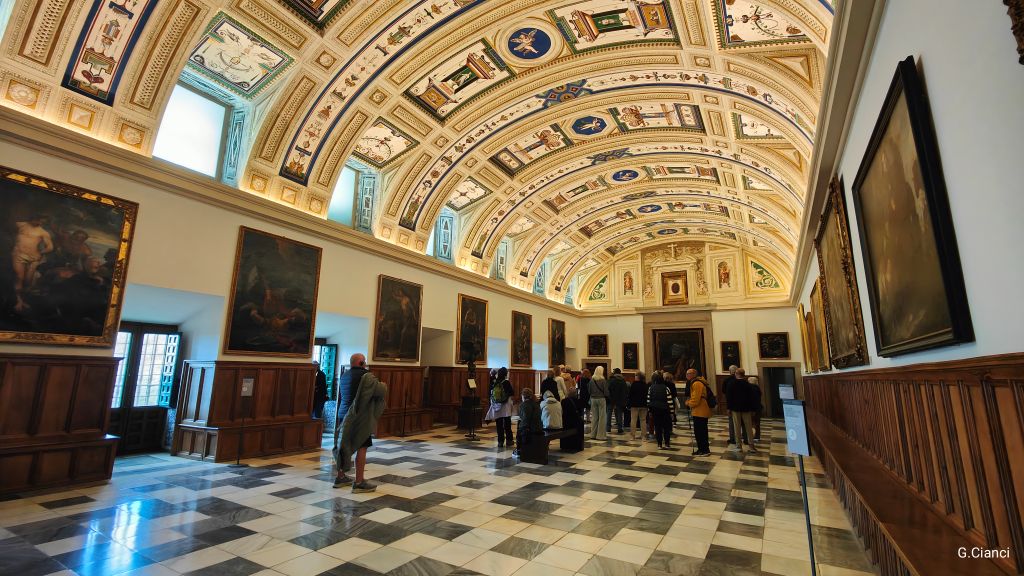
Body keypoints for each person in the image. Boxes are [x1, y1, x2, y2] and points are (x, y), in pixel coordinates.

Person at [334, 353, 386, 492]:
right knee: (362, 446)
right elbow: (381, 391)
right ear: (362, 363)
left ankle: (340, 477)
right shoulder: (367, 376)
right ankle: (359, 482)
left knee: (343, 446)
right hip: (359, 416)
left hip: (343, 413)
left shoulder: (344, 376)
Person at [12, 214, 53, 312]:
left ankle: (24, 300)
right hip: (19, 255)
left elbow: (50, 247)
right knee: (19, 278)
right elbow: (9, 231)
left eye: (43, 222)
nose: (40, 223)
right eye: (39, 220)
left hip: (33, 258)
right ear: (33, 218)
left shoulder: (43, 232)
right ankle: (18, 300)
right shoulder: (20, 225)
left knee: (28, 281)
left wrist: (41, 252)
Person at [726, 368, 758, 454]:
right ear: (743, 375)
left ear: (736, 374)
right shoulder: (748, 385)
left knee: (737, 427)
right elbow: (752, 398)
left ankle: (738, 446)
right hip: (747, 408)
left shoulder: (731, 384)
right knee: (748, 427)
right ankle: (751, 446)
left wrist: (729, 408)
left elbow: (729, 397)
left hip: (735, 409)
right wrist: (753, 409)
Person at [485, 367, 515, 449]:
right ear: (506, 374)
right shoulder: (506, 382)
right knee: (507, 424)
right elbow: (512, 392)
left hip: (496, 405)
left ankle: (500, 442)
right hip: (505, 406)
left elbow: (490, 393)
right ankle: (509, 440)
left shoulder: (494, 382)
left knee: (499, 424)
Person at [685, 368, 712, 456]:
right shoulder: (696, 382)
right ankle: (702, 449)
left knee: (700, 432)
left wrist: (688, 403)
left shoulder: (697, 383)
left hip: (700, 410)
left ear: (693, 374)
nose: (686, 375)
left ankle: (704, 450)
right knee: (700, 431)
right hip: (699, 410)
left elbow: (695, 400)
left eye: (688, 374)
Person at [647, 372, 674, 449]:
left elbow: (648, 400)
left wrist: (650, 411)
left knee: (657, 427)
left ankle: (659, 444)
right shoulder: (666, 388)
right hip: (665, 410)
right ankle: (667, 444)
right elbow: (670, 401)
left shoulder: (651, 388)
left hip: (655, 410)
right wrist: (671, 412)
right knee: (666, 427)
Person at [515, 388, 544, 455]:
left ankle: (519, 450)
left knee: (520, 427)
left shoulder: (524, 405)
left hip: (531, 429)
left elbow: (525, 420)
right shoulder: (536, 404)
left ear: (523, 396)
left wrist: (520, 427)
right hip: (539, 427)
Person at [722, 365, 743, 447]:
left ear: (730, 371)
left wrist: (728, 407)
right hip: (743, 404)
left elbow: (724, 391)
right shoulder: (742, 380)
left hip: (731, 404)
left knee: (732, 422)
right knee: (744, 423)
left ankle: (733, 439)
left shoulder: (727, 380)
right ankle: (745, 438)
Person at [560, 386, 585, 452]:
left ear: (568, 393)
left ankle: (565, 445)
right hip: (576, 422)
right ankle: (578, 445)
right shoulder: (578, 401)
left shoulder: (564, 401)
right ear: (575, 394)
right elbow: (581, 412)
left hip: (566, 422)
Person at [627, 370, 648, 441]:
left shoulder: (634, 384)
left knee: (633, 420)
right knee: (643, 420)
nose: (635, 377)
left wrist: (629, 404)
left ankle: (632, 436)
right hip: (644, 405)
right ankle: (644, 436)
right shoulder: (645, 385)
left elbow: (630, 395)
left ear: (638, 377)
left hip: (634, 405)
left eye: (635, 375)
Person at [588, 366, 609, 440]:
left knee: (594, 417)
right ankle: (600, 435)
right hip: (601, 399)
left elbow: (589, 391)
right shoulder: (603, 380)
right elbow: (606, 392)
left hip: (593, 399)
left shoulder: (591, 380)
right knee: (602, 417)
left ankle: (593, 434)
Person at [607, 368, 628, 434]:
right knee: (619, 414)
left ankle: (608, 428)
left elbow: (608, 389)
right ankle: (620, 428)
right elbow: (625, 391)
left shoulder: (611, 380)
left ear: (614, 373)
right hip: (620, 399)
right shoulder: (623, 380)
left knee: (609, 413)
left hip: (611, 399)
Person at [748, 375, 763, 444]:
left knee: (751, 423)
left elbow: (753, 400)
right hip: (757, 408)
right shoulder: (757, 388)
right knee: (757, 423)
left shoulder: (752, 389)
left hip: (753, 408)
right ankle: (757, 436)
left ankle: (753, 436)